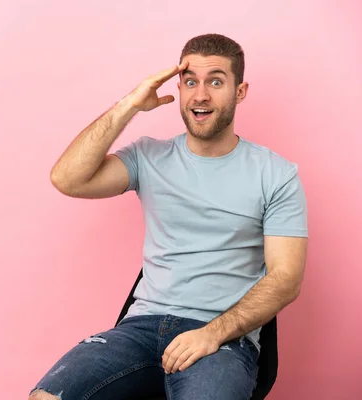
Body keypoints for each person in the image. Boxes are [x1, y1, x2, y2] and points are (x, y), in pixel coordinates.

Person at [29, 33, 308, 400]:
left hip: (221, 337)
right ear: (178, 88)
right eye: (190, 81)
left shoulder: (276, 174)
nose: (201, 94)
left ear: (240, 92)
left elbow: (286, 278)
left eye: (216, 81)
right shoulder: (148, 157)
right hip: (140, 329)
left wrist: (212, 334)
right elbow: (67, 178)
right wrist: (130, 104)